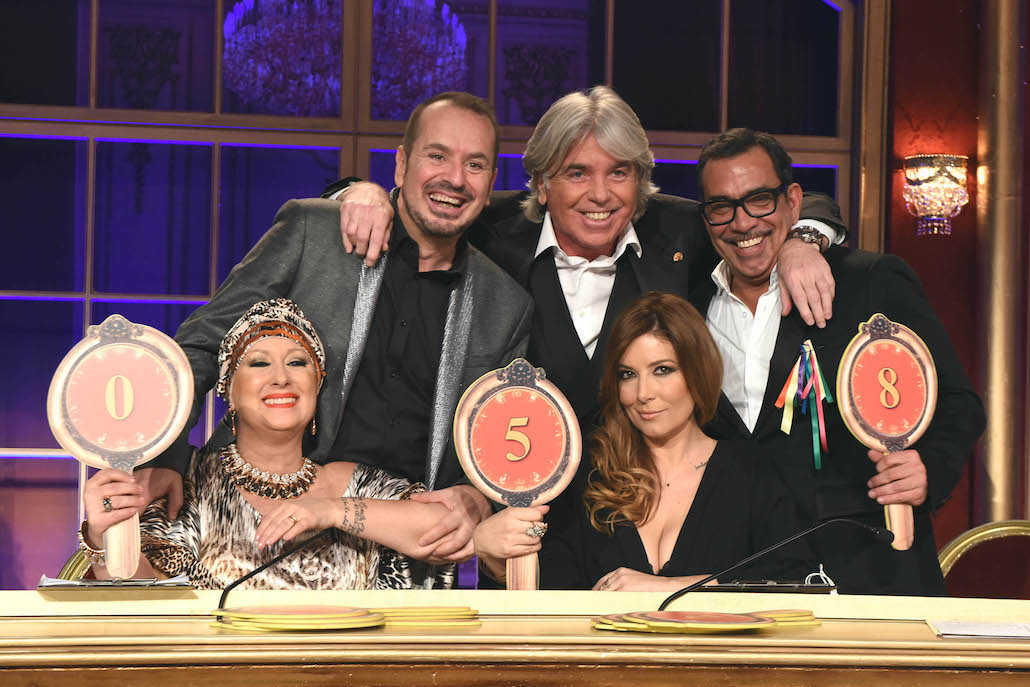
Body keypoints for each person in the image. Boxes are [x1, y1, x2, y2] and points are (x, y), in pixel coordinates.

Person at [328, 86, 846, 535]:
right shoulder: (490, 233)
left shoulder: (678, 233)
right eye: (577, 173)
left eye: (619, 172)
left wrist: (800, 241)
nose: (600, 194)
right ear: (542, 183)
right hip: (523, 531)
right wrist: (363, 192)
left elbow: (783, 207)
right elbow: (425, 202)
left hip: (656, 523)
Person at [136, 92, 534, 569]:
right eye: (437, 156)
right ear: (401, 165)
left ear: (490, 185)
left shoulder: (506, 305)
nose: (454, 178)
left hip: (397, 553)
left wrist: (477, 495)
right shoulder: (315, 232)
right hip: (251, 529)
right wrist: (164, 456)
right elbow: (200, 345)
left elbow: (501, 441)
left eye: (475, 165)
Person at [693, 128, 986, 595]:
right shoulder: (690, 299)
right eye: (721, 206)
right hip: (740, 570)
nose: (742, 222)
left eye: (759, 200)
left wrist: (928, 467)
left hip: (867, 567)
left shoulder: (868, 282)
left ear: (792, 201)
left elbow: (958, 400)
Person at [79, 299, 455, 588]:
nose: (281, 378)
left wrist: (329, 511)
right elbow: (140, 595)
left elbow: (443, 526)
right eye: (259, 363)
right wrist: (102, 535)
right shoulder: (186, 481)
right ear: (229, 391)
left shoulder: (349, 482)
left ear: (317, 386)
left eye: (298, 363)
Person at [473, 292, 813, 591]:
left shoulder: (751, 472)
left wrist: (671, 589)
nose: (643, 394)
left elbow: (795, 582)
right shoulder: (591, 475)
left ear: (698, 371)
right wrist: (496, 561)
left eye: (662, 370)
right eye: (628, 375)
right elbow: (551, 587)